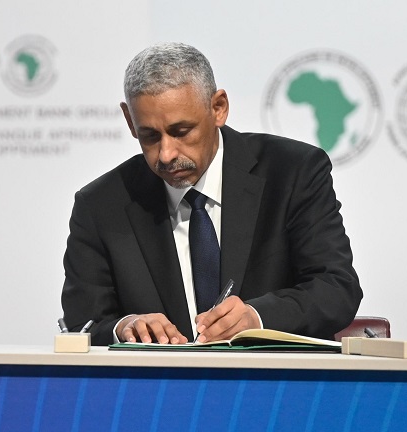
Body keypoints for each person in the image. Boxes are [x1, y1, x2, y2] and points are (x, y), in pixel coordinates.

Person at [61, 42, 362, 345]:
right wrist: (123, 327)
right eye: (149, 136)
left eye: (181, 131)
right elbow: (83, 323)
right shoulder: (100, 206)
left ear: (218, 108)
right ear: (130, 121)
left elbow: (336, 288)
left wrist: (257, 318)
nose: (166, 154)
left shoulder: (293, 172)